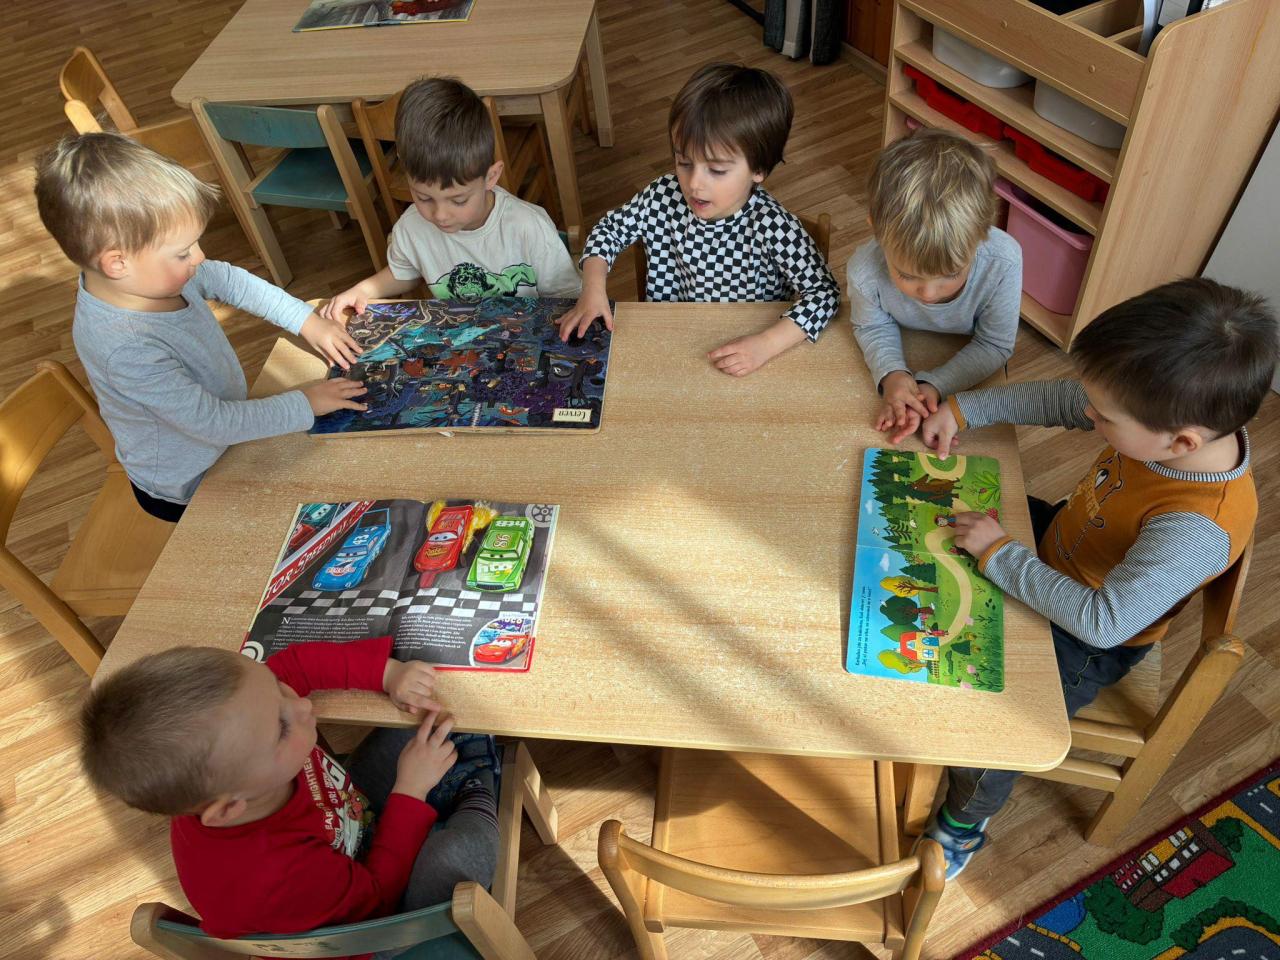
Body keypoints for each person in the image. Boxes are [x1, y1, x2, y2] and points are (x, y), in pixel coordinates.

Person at [917, 278, 1276, 878]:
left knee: (1000, 729)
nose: (1087, 413)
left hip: (1088, 637)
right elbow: (1067, 399)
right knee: (934, 513)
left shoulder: (1198, 526)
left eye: (1102, 417)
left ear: (1181, 442)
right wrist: (963, 410)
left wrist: (1000, 554)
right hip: (1060, 547)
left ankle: (962, 824)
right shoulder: (1165, 422)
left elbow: (1104, 622)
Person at [80, 637, 501, 956]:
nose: (302, 706)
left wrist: (388, 675)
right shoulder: (275, 874)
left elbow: (294, 666)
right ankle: (477, 786)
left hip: (351, 825)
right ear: (230, 807)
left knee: (421, 722)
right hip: (368, 931)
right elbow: (377, 900)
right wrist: (411, 790)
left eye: (277, 688)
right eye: (281, 729)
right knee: (456, 854)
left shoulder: (239, 752)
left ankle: (453, 777)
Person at [33, 132, 366, 523]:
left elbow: (228, 280)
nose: (200, 257)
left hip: (225, 435)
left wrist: (305, 320)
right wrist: (304, 404)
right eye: (183, 252)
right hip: (188, 482)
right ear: (117, 263)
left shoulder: (149, 277)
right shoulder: (125, 346)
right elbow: (212, 424)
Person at [557, 62, 839, 377]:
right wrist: (593, 287)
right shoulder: (662, 196)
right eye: (684, 162)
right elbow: (609, 230)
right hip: (671, 349)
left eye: (716, 170)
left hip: (748, 361)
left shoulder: (773, 225)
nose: (694, 184)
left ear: (759, 169)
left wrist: (766, 344)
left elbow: (825, 294)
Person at [321, 77, 581, 318]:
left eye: (458, 201)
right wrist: (364, 290)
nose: (440, 215)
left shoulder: (528, 227)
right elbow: (404, 272)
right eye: (423, 197)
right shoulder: (411, 227)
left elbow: (567, 297)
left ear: (491, 177)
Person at [848, 128, 1021, 443]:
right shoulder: (864, 271)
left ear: (982, 233)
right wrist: (893, 375)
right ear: (877, 230)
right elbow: (872, 326)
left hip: (965, 359)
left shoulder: (1003, 262)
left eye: (951, 273)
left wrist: (934, 386)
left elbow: (994, 345)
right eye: (907, 275)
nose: (928, 294)